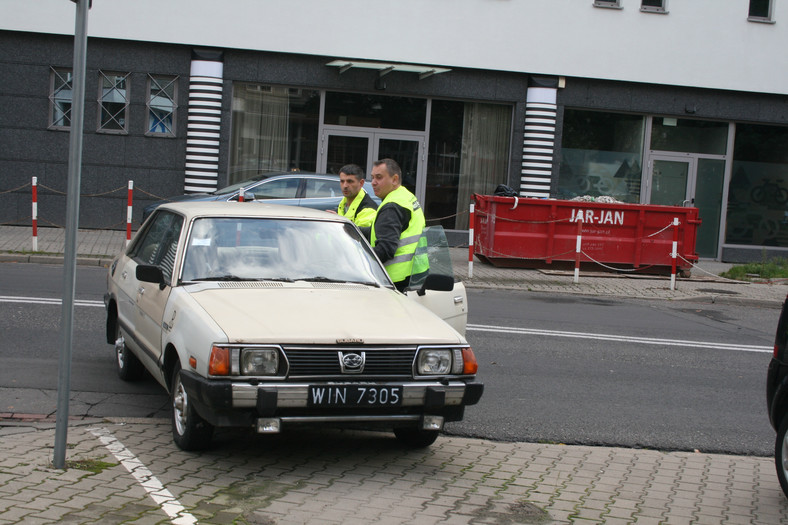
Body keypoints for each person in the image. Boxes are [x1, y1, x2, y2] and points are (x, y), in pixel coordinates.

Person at [368, 158, 428, 292]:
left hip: (394, 281)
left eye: (379, 177)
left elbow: (385, 249)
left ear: (394, 179)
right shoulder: (405, 196)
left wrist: (359, 259)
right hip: (413, 274)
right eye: (372, 177)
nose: (373, 182)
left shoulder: (391, 206)